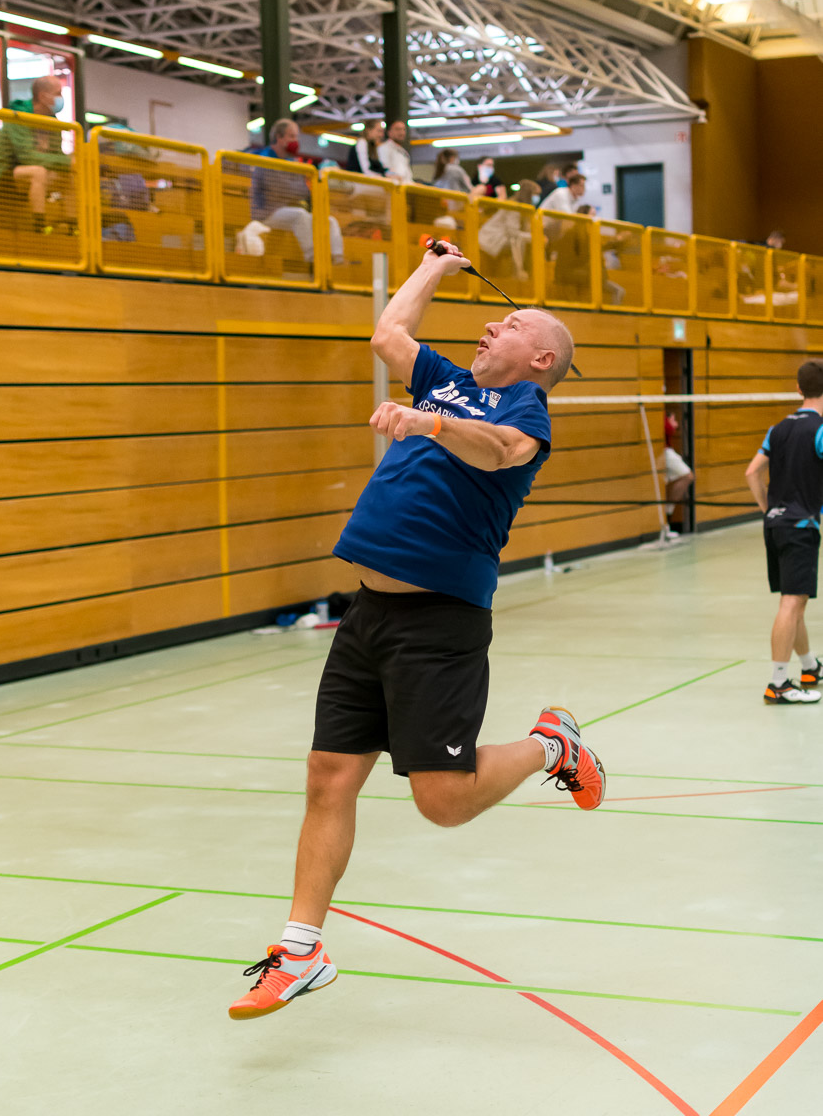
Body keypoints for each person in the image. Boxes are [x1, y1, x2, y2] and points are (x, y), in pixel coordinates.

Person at [227, 240, 606, 1023]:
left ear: (540, 358)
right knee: (328, 776)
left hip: (439, 622)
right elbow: (388, 334)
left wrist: (426, 422)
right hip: (367, 613)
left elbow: (502, 453)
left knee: (444, 802)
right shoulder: (450, 381)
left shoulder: (521, 410)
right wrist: (435, 267)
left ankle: (552, 746)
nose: (488, 328)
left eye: (508, 325)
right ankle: (300, 951)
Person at [745, 359, 823, 705]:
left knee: (795, 598)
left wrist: (769, 510)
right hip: (801, 526)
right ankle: (778, 684)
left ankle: (810, 668)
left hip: (775, 524)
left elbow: (752, 472)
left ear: (798, 388)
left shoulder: (777, 429)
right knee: (792, 602)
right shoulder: (820, 430)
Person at [0, 75, 71, 231]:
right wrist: (68, 161)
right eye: (58, 93)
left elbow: (58, 156)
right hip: (2, 174)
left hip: (28, 172)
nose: (61, 98)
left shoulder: (53, 123)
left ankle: (72, 226)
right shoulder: (19, 116)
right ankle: (39, 226)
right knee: (39, 172)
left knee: (70, 174)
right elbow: (27, 157)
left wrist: (69, 164)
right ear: (43, 96)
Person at [248, 118, 344, 265]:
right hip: (266, 213)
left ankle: (338, 261)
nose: (296, 141)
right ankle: (313, 259)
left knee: (330, 221)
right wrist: (296, 188)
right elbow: (280, 189)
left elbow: (302, 191)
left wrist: (296, 189)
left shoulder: (293, 161)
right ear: (279, 138)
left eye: (297, 136)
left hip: (288, 211)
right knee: (300, 215)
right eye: (292, 136)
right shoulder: (265, 159)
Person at [477, 179, 539, 279]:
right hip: (490, 241)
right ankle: (518, 274)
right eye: (536, 194)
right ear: (529, 194)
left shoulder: (524, 210)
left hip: (498, 240)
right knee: (519, 242)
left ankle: (529, 275)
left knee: (525, 242)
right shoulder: (514, 207)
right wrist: (536, 237)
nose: (537, 198)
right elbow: (513, 233)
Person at [663, 413, 693, 533]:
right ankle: (667, 514)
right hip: (664, 452)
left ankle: (668, 514)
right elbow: (668, 428)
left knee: (687, 476)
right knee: (688, 475)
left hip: (667, 451)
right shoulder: (661, 416)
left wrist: (672, 422)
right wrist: (671, 422)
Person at [377, 119, 413, 184]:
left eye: (403, 129)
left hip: (405, 186)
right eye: (398, 129)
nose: (401, 132)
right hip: (392, 186)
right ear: (389, 132)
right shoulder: (384, 148)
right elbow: (385, 170)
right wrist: (396, 177)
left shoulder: (404, 152)